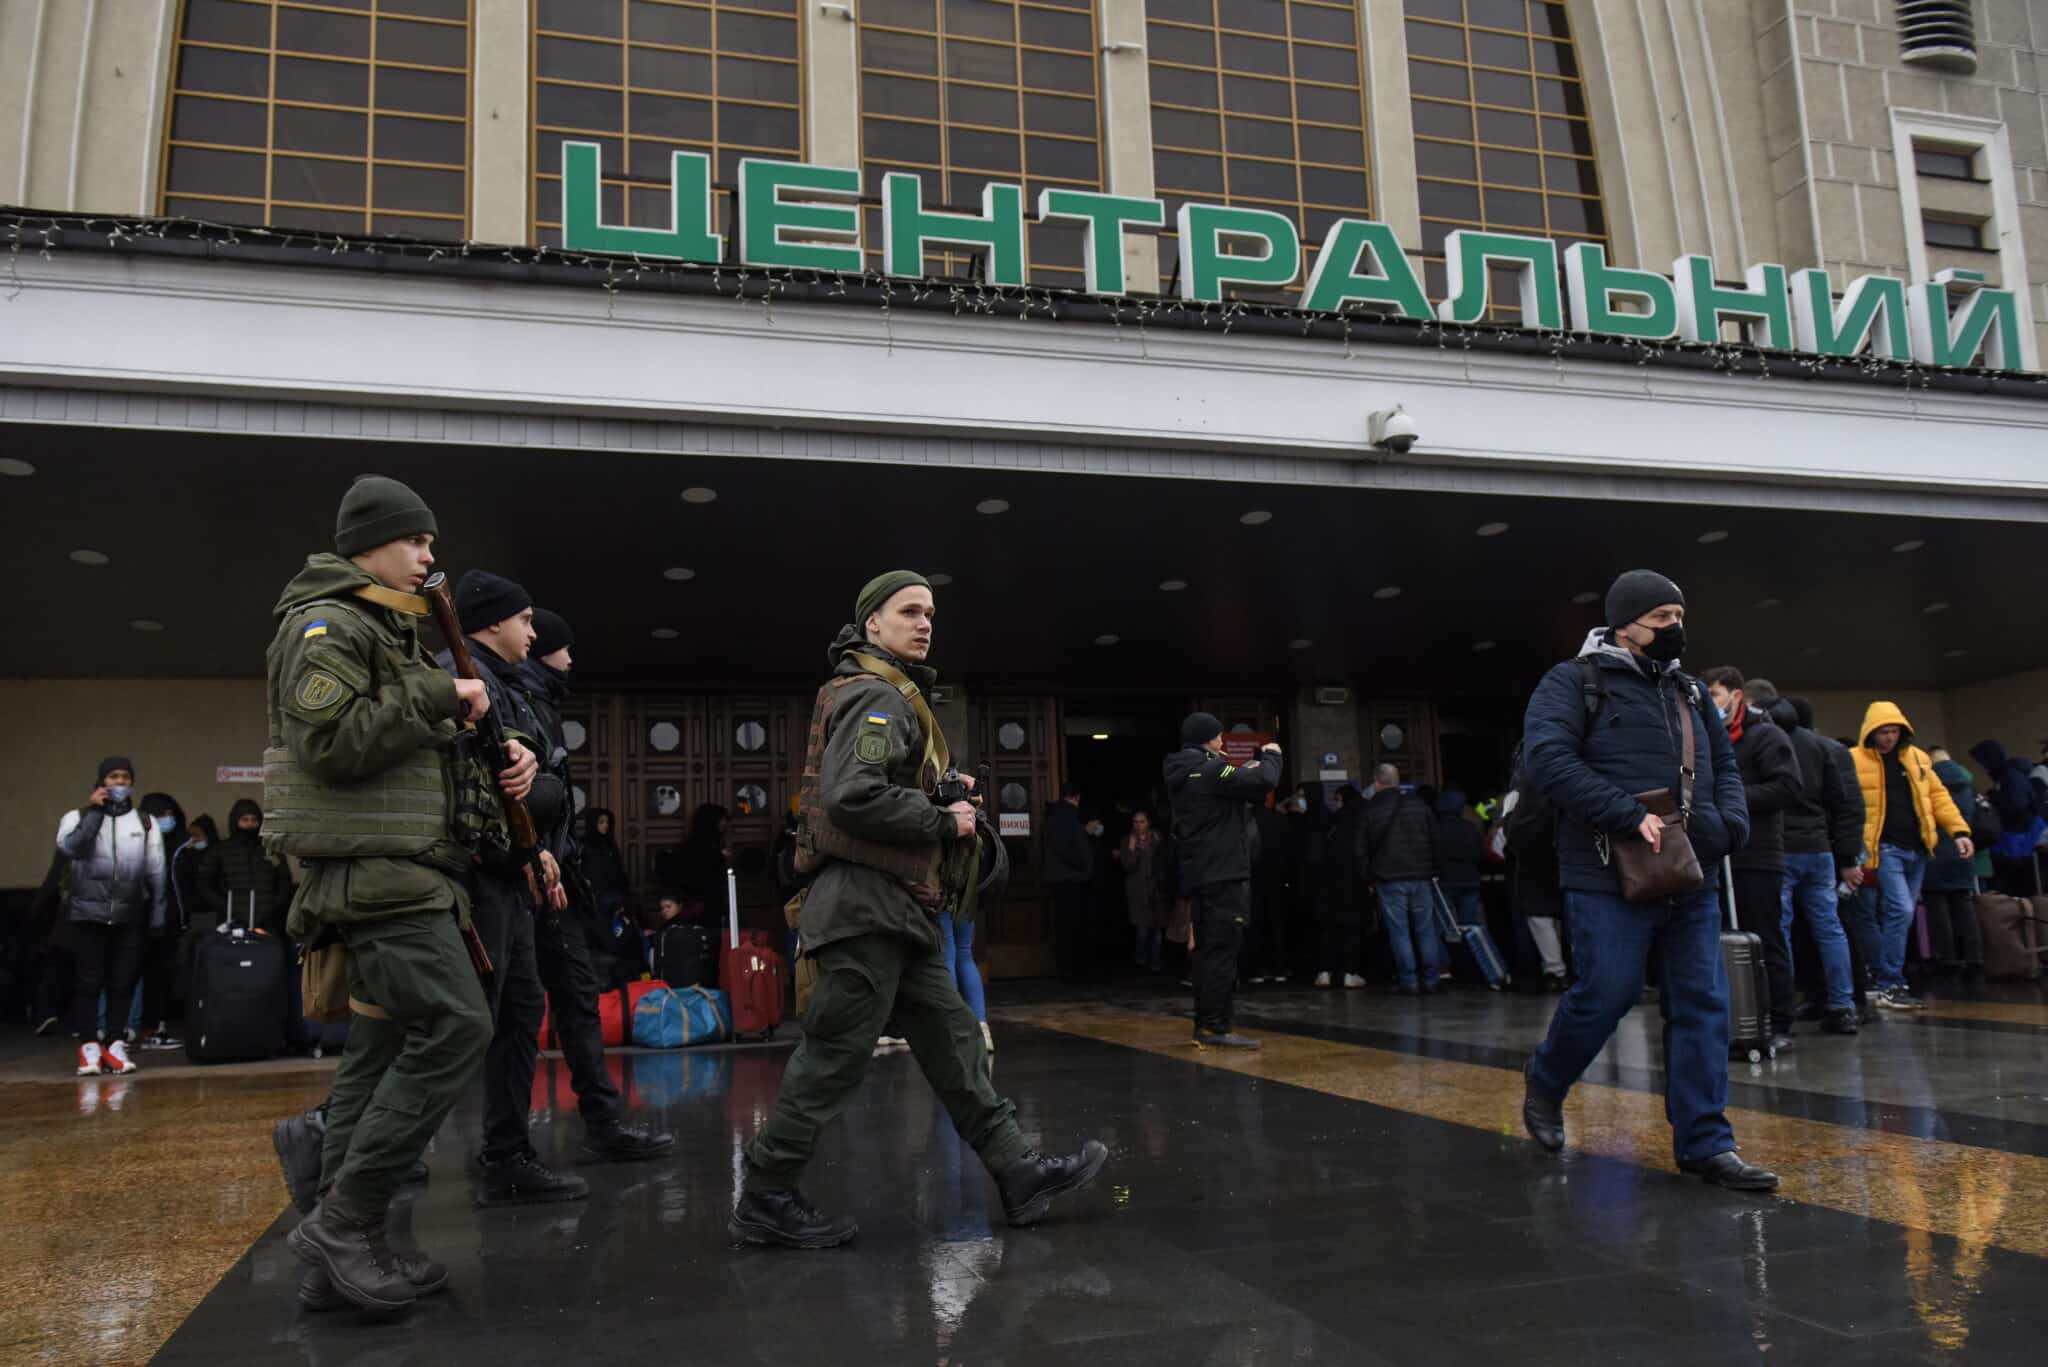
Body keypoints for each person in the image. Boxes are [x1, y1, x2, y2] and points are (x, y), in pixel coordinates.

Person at [732, 571, 1105, 1248]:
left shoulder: (889, 693)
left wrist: (938, 790)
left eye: (930, 611)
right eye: (908, 611)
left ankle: (1018, 1171)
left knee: (957, 1041)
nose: (924, 622)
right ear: (872, 623)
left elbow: (871, 790)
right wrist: (944, 818)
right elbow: (851, 796)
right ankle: (764, 1192)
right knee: (834, 1056)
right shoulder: (876, 695)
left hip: (896, 910)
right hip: (863, 907)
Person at [269, 476, 506, 1312]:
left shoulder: (382, 629)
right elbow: (330, 741)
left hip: (404, 869)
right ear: (369, 542)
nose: (430, 556)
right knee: (457, 1022)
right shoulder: (327, 624)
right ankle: (345, 1222)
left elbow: (406, 745)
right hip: (378, 875)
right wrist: (444, 693)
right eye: (416, 540)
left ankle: (341, 1254)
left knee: (377, 1052)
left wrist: (490, 751)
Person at [1519, 569, 1775, 1191]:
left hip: (1691, 870)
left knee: (1702, 1006)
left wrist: (1730, 826)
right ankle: (1547, 1082)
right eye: (1662, 619)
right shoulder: (1571, 682)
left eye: (1679, 618)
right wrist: (1627, 813)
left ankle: (1706, 1143)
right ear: (1624, 623)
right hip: (1606, 870)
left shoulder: (1687, 690)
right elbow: (1547, 759)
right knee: (1606, 992)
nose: (1675, 629)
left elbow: (1724, 769)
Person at [442, 571, 593, 1205]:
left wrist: (535, 850)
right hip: (480, 873)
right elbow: (494, 783)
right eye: (525, 620)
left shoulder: (504, 685)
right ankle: (340, 1136)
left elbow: (523, 775)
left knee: (518, 1011)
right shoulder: (468, 678)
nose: (533, 632)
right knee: (464, 1020)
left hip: (510, 866)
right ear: (494, 622)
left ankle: (507, 1151)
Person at [517, 605, 673, 1164]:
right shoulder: (515, 695)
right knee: (488, 1015)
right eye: (562, 647)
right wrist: (534, 854)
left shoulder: (541, 700)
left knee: (578, 1000)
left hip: (558, 881)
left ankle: (602, 1122)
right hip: (525, 881)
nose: (569, 658)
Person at [1698, 670, 1803, 1051]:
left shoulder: (1765, 736)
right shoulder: (1711, 740)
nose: (1710, 700)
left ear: (1736, 695)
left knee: (1766, 938)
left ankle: (1778, 1020)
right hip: (1719, 856)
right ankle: (1733, 1019)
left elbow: (1788, 786)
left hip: (1758, 854)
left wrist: (1731, 795)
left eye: (1715, 693)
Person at [1165, 713, 1283, 1048]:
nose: (1222, 743)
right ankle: (1215, 1027)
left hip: (1202, 874)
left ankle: (1207, 1023)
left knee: (1207, 952)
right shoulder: (1213, 769)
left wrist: (1239, 775)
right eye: (1218, 737)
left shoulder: (1187, 770)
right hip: (1224, 875)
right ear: (1206, 739)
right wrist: (1272, 754)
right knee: (1222, 952)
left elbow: (1223, 791)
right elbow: (1265, 783)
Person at [1851, 703, 1972, 1010]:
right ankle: (1890, 980)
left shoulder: (1917, 758)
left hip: (1917, 848)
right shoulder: (1854, 759)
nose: (1889, 737)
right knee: (1900, 911)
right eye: (1883, 732)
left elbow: (1938, 796)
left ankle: (1885, 978)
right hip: (1884, 848)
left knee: (1896, 914)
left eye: (1894, 731)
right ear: (1871, 732)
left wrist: (1959, 831)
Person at [55, 757, 164, 1076]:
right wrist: (94, 814)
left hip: (129, 915)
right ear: (101, 782)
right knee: (88, 982)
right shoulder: (76, 817)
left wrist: (158, 914)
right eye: (113, 777)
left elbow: (156, 870)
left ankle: (115, 1041)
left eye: (124, 777)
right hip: (88, 915)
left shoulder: (145, 822)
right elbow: (71, 849)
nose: (119, 783)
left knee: (122, 982)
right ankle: (89, 1044)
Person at [1769, 691, 1863, 1035]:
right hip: (1819, 848)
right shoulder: (1825, 747)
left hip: (1781, 847)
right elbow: (1842, 800)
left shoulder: (1768, 743)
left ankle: (1781, 1009)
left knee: (1781, 931)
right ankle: (1843, 1004)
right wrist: (1847, 854)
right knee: (1829, 927)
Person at [1363, 765, 1442, 996]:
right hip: (1421, 877)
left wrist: (1369, 876)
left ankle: (1409, 981)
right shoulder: (1420, 805)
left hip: (1390, 879)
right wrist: (1434, 870)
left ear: (1378, 782)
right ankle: (1432, 979)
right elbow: (1435, 839)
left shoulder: (1373, 809)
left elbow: (1362, 847)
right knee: (1426, 929)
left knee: (1400, 932)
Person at [1925, 748, 1987, 983]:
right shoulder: (1967, 783)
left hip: (1936, 853)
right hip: (1963, 849)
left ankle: (1947, 959)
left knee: (1938, 908)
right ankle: (1975, 958)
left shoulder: (1930, 782)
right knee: (1965, 906)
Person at [1967, 740, 2044, 896]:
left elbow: (2016, 805)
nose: (1982, 767)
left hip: (2019, 834)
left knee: (2014, 880)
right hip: (2023, 832)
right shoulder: (2008, 775)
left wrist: (1995, 801)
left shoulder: (2008, 776)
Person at [1315, 785, 1370, 988]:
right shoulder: (1360, 823)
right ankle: (1350, 972)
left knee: (1329, 931)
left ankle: (1325, 972)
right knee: (1352, 929)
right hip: (1353, 886)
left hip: (1329, 887)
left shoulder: (1332, 825)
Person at [1043, 783, 1094, 981]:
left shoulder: (1055, 815)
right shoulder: (1067, 816)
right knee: (1072, 927)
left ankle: (1066, 969)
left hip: (1060, 878)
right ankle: (1071, 971)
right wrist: (1084, 867)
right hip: (1070, 879)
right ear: (1077, 797)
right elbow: (1068, 848)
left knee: (1064, 926)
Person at [1119, 810, 1169, 973]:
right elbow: (1128, 866)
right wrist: (1132, 848)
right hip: (1139, 890)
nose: (1138, 825)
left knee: (1157, 930)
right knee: (1142, 930)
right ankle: (1141, 961)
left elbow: (1164, 861)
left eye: (1142, 821)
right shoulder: (1128, 840)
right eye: (1135, 822)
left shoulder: (1156, 838)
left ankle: (1156, 963)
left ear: (1148, 822)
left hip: (1156, 890)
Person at [1435, 788, 1485, 927]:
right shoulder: (1470, 828)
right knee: (1470, 927)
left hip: (1445, 882)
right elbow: (1481, 854)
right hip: (1470, 881)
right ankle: (1468, 949)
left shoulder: (1435, 828)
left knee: (1446, 928)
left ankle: (1452, 949)